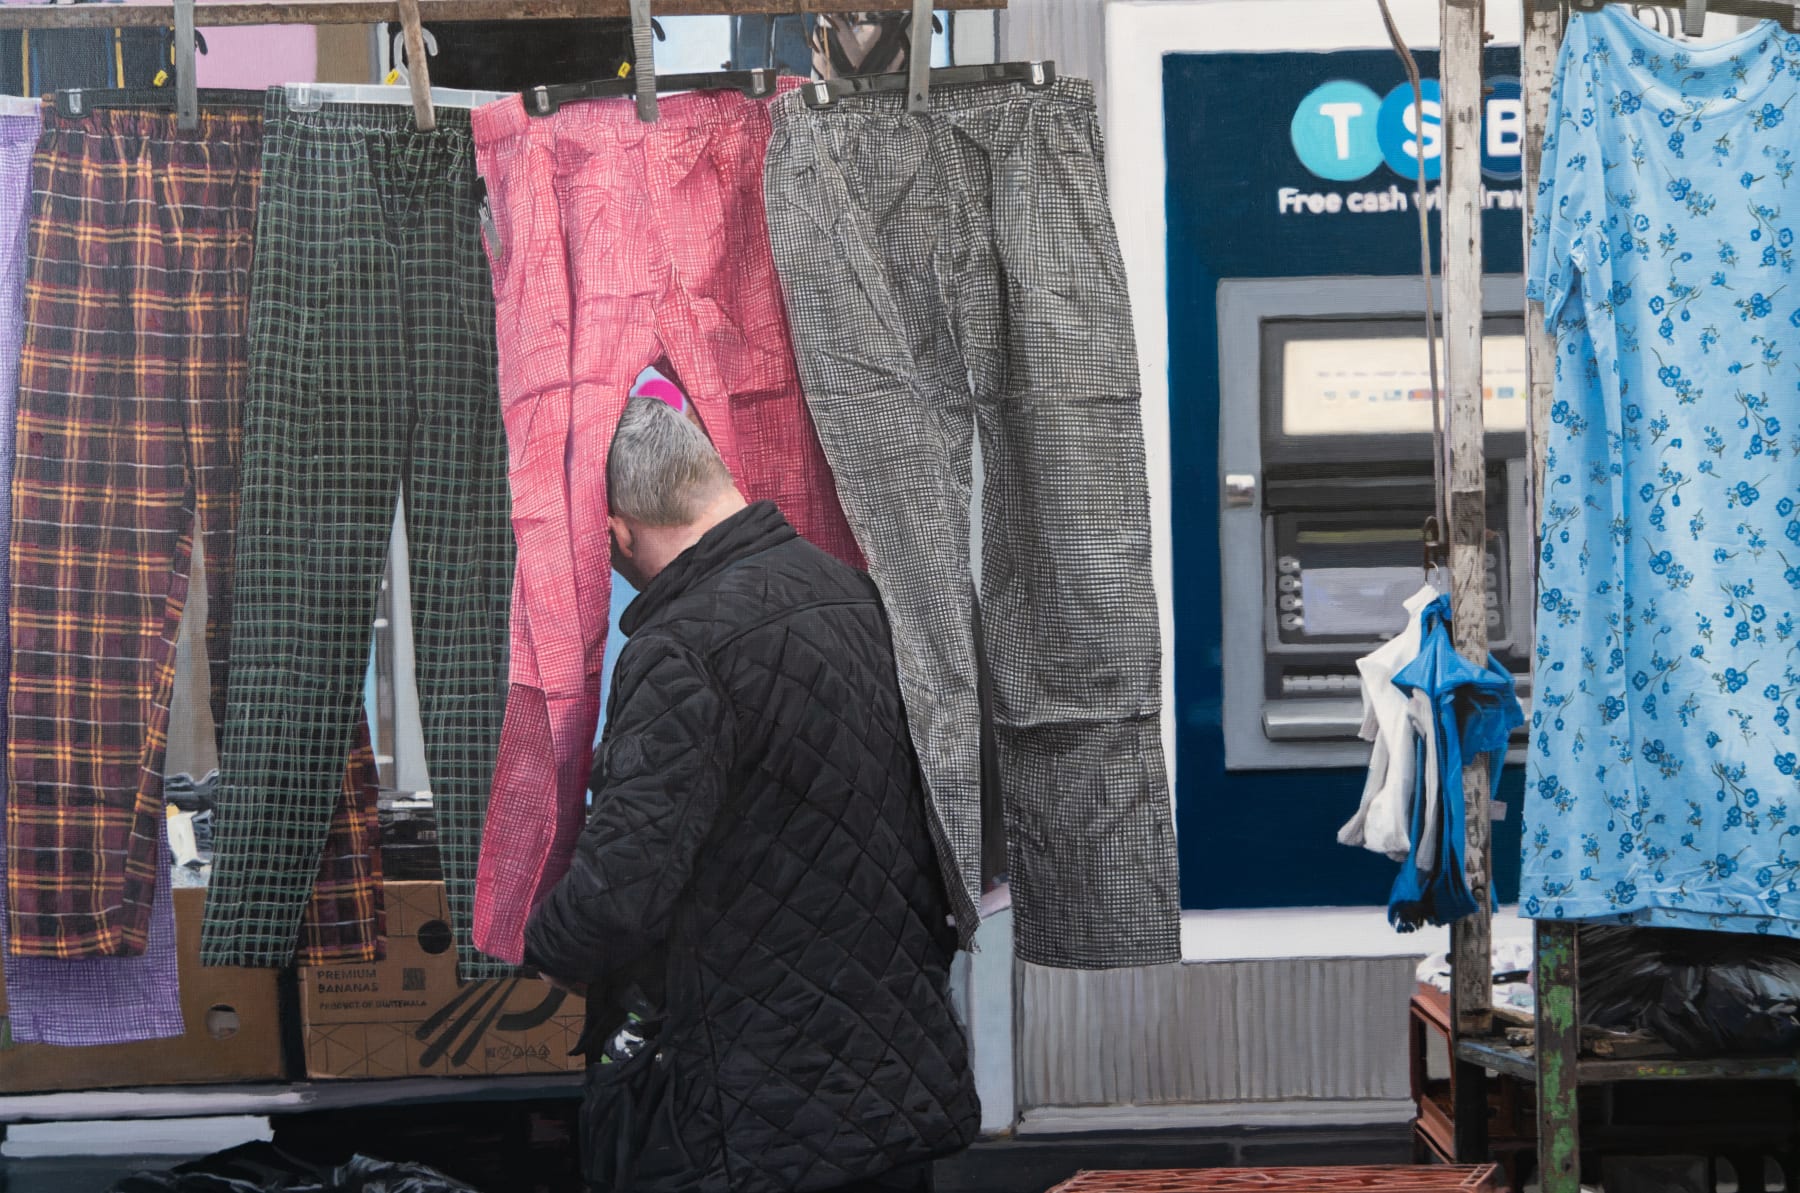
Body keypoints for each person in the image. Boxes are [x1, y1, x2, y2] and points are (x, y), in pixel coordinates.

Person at [525, 397, 980, 1193]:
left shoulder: (681, 649)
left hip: (754, 1114)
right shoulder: (858, 598)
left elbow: (620, 893)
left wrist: (541, 942)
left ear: (616, 531)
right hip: (890, 1083)